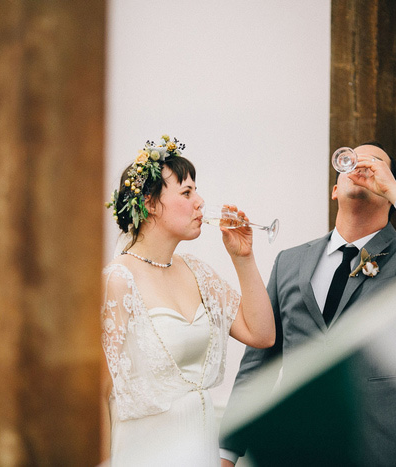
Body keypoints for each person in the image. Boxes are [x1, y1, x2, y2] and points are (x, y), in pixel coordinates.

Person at [220, 142, 396, 466]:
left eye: (375, 163)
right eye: (352, 161)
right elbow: (257, 366)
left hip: (392, 453)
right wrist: (227, 452)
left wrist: (391, 187)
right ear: (335, 189)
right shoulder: (290, 262)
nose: (362, 167)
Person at [100, 135, 276, 466]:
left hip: (200, 446)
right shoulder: (117, 280)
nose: (200, 201)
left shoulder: (197, 271)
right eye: (186, 192)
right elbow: (100, 392)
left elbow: (262, 334)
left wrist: (244, 258)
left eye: (196, 190)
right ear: (150, 204)